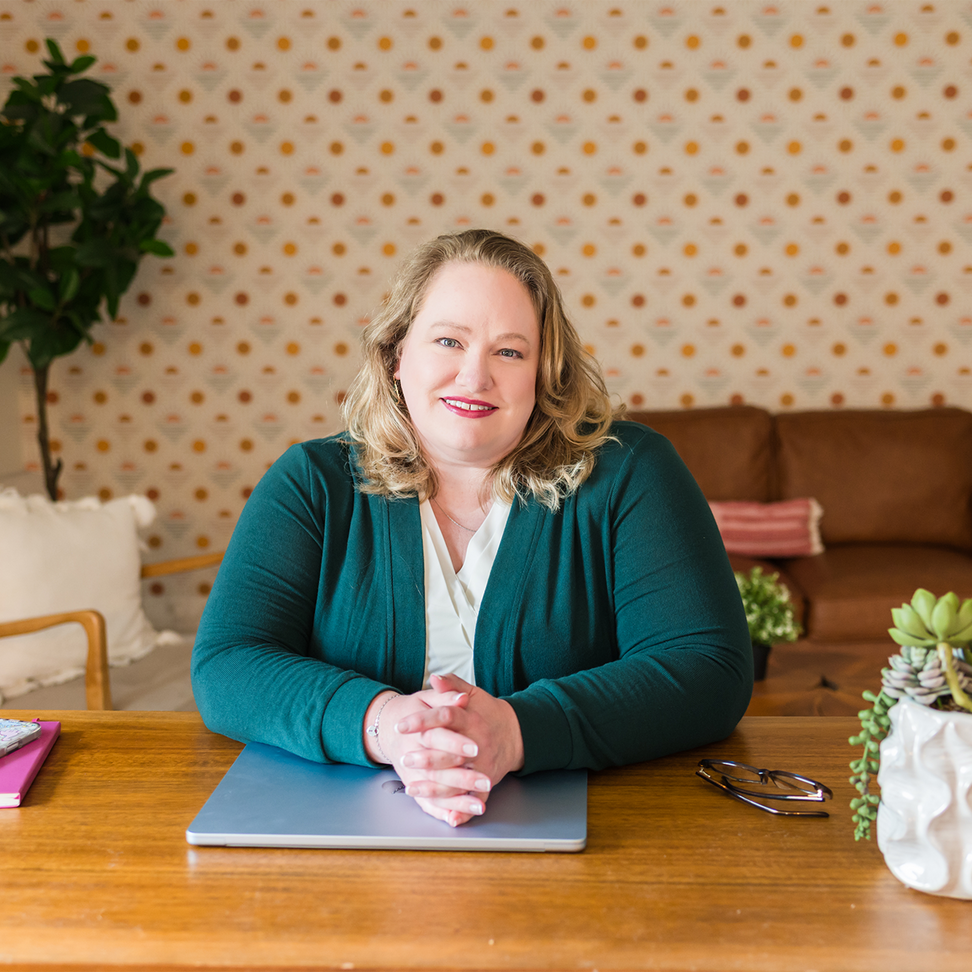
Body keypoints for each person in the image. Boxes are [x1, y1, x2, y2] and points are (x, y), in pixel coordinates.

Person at [191, 228, 753, 827]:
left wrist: (514, 733)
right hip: (341, 842)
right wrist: (386, 726)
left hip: (601, 840)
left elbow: (707, 666)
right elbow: (227, 662)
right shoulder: (312, 483)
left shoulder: (630, 473)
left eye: (509, 351)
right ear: (396, 356)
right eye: (448, 341)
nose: (474, 376)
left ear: (544, 373)